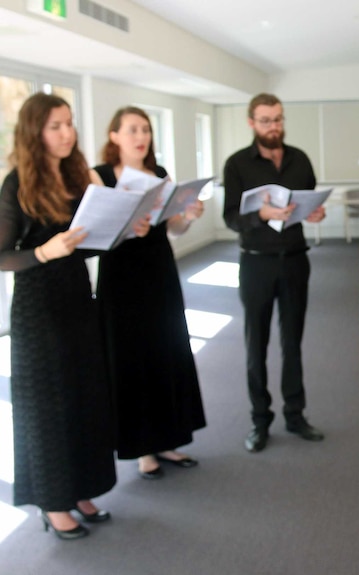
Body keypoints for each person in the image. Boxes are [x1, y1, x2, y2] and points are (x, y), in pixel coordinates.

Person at [0, 93, 117, 539]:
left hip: (76, 301)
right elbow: (2, 256)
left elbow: (84, 243)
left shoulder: (74, 176)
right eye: (56, 126)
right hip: (37, 309)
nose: (67, 133)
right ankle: (53, 502)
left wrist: (119, 226)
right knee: (48, 408)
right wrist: (44, 251)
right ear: (35, 132)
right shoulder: (16, 184)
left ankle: (81, 488)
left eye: (69, 123)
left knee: (84, 400)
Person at [93, 106, 206, 480]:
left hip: (159, 271)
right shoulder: (101, 176)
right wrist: (128, 228)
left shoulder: (159, 175)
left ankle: (167, 439)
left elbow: (174, 229)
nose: (140, 136)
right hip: (122, 277)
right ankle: (142, 449)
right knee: (132, 357)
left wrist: (188, 214)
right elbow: (93, 231)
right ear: (115, 136)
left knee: (166, 350)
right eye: (132, 130)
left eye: (145, 129)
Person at [223, 93, 327, 453]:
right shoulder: (237, 164)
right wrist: (261, 216)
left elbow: (310, 202)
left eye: (279, 119)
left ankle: (295, 416)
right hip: (256, 262)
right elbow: (231, 218)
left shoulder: (300, 159)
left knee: (293, 343)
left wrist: (315, 214)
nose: (274, 127)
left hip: (296, 259)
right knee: (256, 345)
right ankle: (259, 421)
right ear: (251, 123)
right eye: (266, 120)